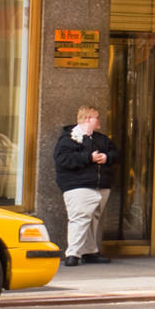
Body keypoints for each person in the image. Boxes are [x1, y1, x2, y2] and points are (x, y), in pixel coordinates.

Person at [54, 106, 120, 267]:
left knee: (93, 219)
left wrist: (106, 157)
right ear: (88, 118)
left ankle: (89, 251)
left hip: (100, 185)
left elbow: (116, 154)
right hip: (78, 185)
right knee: (80, 218)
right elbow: (63, 160)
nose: (99, 120)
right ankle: (73, 253)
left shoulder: (101, 139)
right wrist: (88, 157)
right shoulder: (68, 139)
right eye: (97, 117)